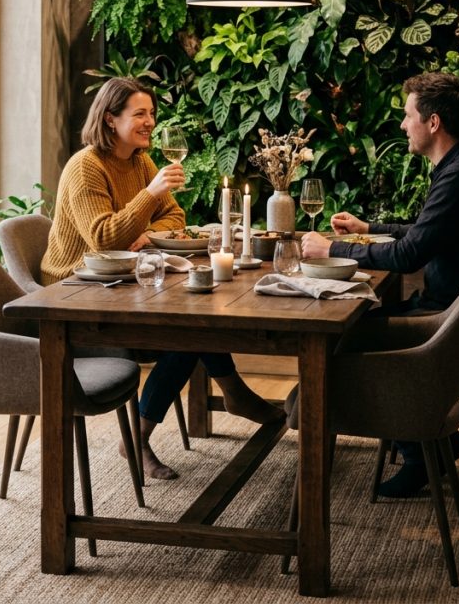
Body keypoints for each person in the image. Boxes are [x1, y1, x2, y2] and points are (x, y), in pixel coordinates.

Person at [41, 76, 282, 480]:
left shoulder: (139, 160)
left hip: (124, 279)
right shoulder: (86, 168)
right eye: (140, 114)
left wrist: (146, 232)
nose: (150, 121)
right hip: (78, 292)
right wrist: (149, 196)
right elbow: (102, 238)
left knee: (199, 313)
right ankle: (148, 432)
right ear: (110, 119)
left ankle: (222, 397)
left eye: (151, 113)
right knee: (184, 333)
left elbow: (175, 218)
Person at [302, 71, 459, 497]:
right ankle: (434, 441)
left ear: (433, 123)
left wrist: (331, 247)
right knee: (354, 324)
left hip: (448, 320)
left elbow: (408, 257)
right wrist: (369, 227)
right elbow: (426, 233)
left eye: (408, 116)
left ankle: (422, 449)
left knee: (338, 336)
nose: (404, 125)